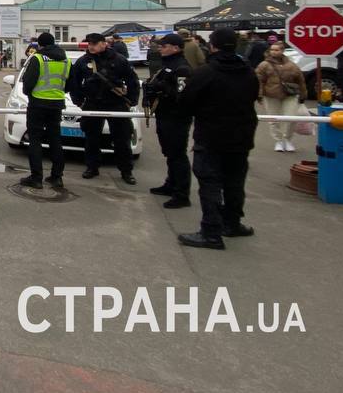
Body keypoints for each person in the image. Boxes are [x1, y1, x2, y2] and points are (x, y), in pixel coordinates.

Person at [176, 28, 260, 250]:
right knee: (234, 182)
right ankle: (232, 223)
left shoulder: (206, 72)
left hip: (211, 137)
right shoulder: (248, 71)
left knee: (210, 184)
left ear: (212, 46)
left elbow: (186, 102)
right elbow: (253, 96)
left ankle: (211, 232)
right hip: (241, 137)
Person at [67, 32, 140, 185]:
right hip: (93, 103)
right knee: (91, 138)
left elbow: (132, 80)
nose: (91, 47)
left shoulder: (118, 59)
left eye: (94, 44)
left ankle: (126, 171)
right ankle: (92, 167)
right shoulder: (83, 61)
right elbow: (74, 82)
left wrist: (132, 101)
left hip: (116, 103)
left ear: (104, 43)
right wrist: (78, 101)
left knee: (122, 138)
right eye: (89, 44)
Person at [144, 33, 193, 208]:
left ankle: (182, 194)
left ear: (176, 48)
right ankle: (171, 184)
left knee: (177, 155)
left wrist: (161, 87)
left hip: (177, 117)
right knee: (170, 154)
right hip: (165, 114)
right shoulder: (167, 65)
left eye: (164, 46)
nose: (160, 48)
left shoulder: (182, 68)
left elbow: (182, 95)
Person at [19, 31, 70, 190]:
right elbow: (69, 83)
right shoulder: (65, 60)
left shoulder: (38, 58)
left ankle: (36, 178)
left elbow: (28, 83)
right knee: (55, 139)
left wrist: (31, 94)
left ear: (40, 45)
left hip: (38, 104)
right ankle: (57, 177)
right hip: (57, 104)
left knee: (35, 140)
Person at [254, 42, 308, 153]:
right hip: (271, 95)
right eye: (272, 50)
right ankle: (278, 140)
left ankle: (287, 139)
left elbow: (300, 81)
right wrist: (259, 95)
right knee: (273, 119)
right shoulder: (264, 65)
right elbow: (258, 81)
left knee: (290, 118)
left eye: (277, 50)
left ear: (282, 51)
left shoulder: (292, 65)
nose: (274, 52)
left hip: (289, 95)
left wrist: (303, 95)